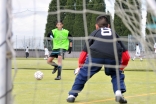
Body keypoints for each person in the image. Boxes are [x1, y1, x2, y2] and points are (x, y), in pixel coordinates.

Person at [67, 15, 130, 104]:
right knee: (116, 73)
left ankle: (72, 95)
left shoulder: (94, 33)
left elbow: (84, 52)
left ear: (96, 26)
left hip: (96, 55)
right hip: (114, 56)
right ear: (109, 26)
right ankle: (118, 93)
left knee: (83, 74)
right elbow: (126, 55)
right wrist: (121, 67)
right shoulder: (114, 33)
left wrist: (80, 66)